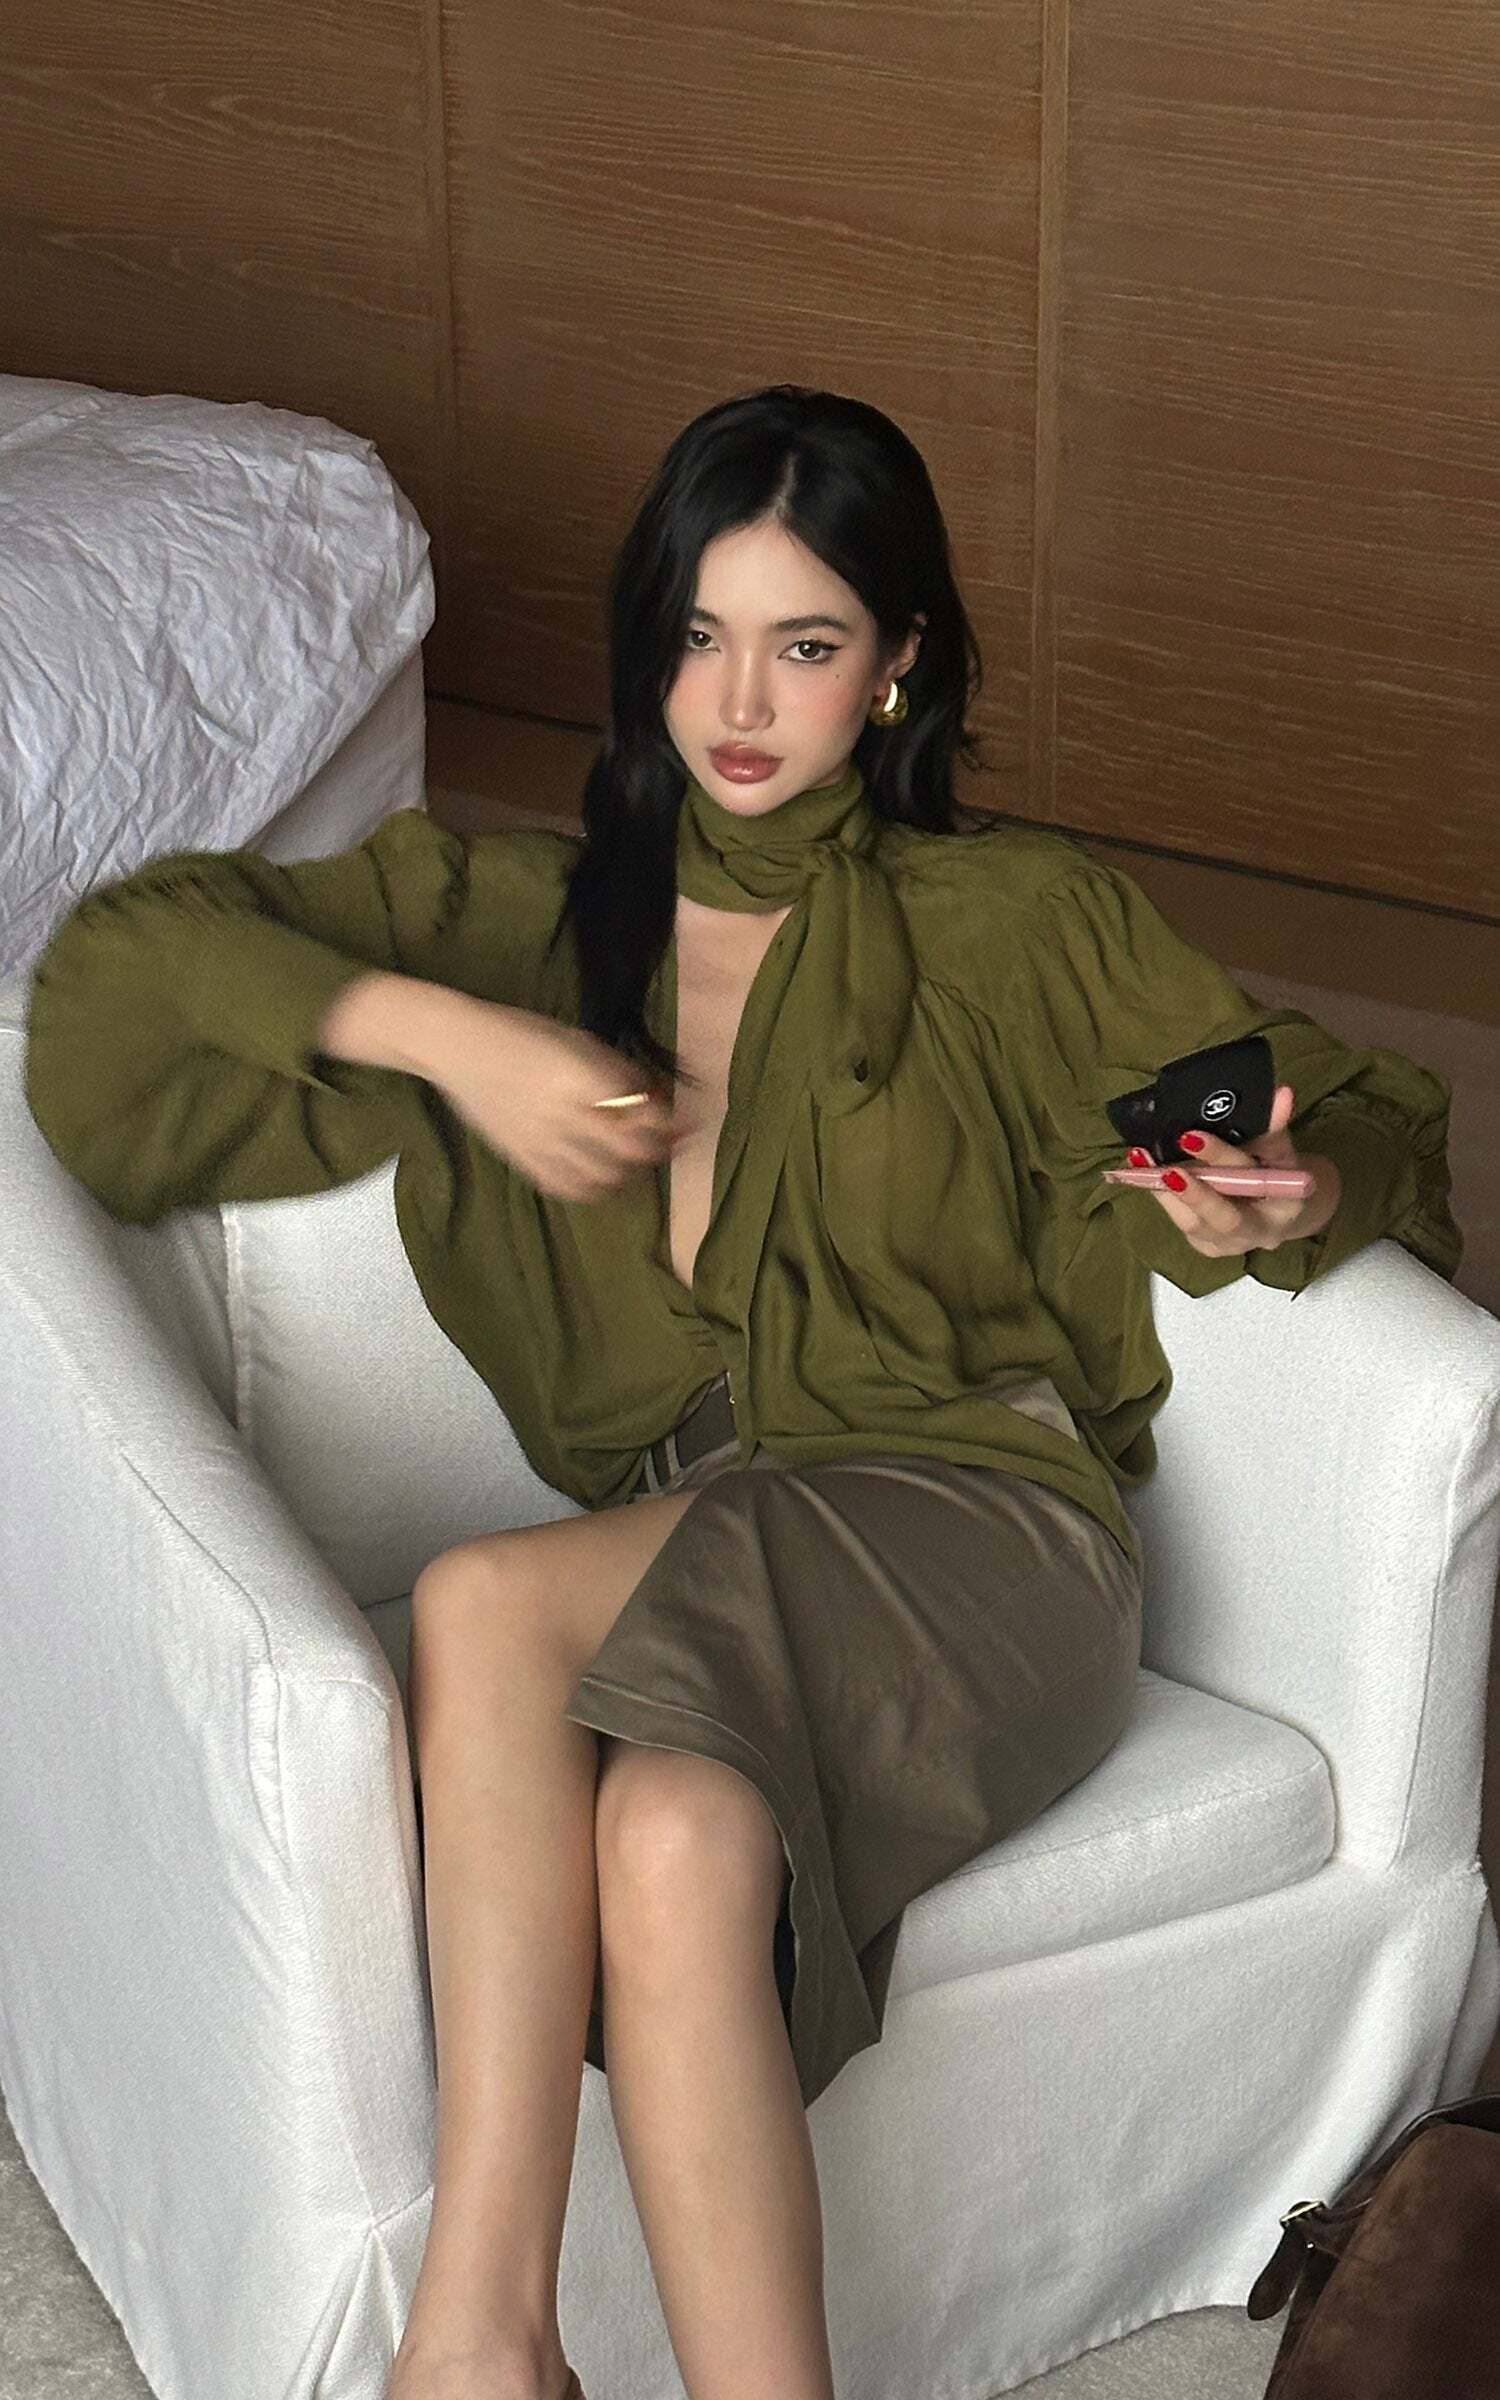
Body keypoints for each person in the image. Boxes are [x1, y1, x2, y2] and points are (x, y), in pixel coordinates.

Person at [24, 384, 1461, 2400]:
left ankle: (480, 2344)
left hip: (984, 1527)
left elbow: (1362, 1106)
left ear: (900, 666)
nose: (741, 701)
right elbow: (115, 975)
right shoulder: (534, 925)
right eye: (700, 635)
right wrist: (450, 1039)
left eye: (806, 643)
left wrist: (1281, 1187)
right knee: (678, 1839)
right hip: (721, 1549)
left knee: (482, 1603)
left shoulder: (1010, 922)